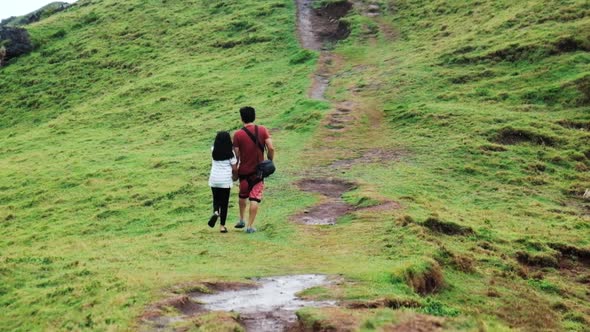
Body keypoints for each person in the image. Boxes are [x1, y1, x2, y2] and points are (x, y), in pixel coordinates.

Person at [233, 106, 275, 233]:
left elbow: (236, 154)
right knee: (254, 198)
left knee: (242, 196)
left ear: (241, 118)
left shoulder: (238, 134)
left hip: (244, 172)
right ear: (254, 116)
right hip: (259, 172)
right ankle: (250, 226)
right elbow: (271, 148)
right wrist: (270, 159)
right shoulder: (262, 130)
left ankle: (241, 219)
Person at [208, 131, 238, 233]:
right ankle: (222, 226)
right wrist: (235, 177)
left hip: (214, 179)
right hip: (225, 180)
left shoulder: (213, 150)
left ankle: (216, 212)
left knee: (216, 199)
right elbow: (234, 169)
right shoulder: (230, 153)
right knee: (224, 203)